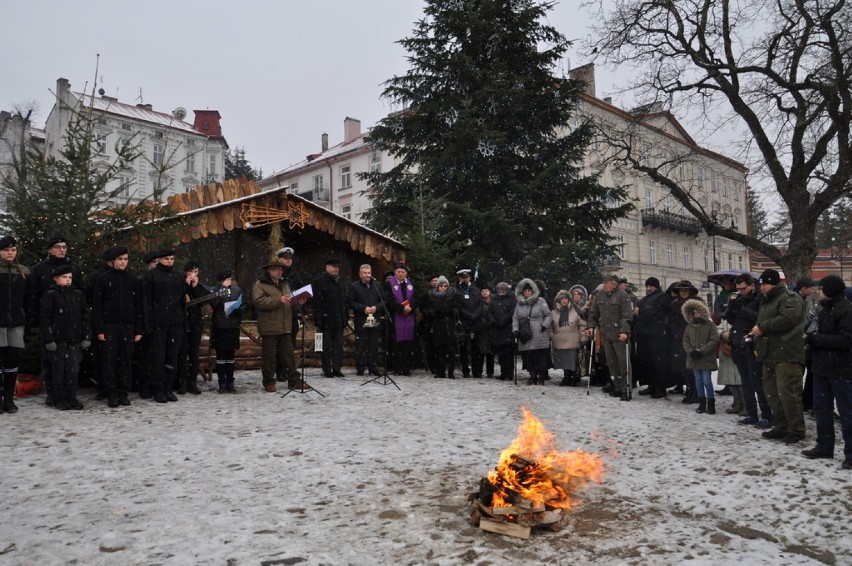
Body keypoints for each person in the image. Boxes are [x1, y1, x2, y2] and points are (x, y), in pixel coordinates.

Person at [801, 275, 852, 470]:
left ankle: (850, 454)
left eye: (821, 288)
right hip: (821, 368)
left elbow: (846, 340)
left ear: (830, 290)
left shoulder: (846, 310)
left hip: (842, 370)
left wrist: (816, 339)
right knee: (822, 410)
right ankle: (824, 446)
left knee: (847, 414)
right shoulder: (823, 310)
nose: (818, 291)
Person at [751, 269, 807, 445]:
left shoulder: (789, 298)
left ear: (775, 283)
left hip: (787, 353)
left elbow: (789, 319)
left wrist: (762, 327)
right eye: (761, 284)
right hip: (770, 353)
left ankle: (796, 429)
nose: (762, 287)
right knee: (772, 393)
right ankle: (781, 425)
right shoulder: (766, 301)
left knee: (788, 393)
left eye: (765, 284)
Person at [27, 235, 83, 406]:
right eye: (58, 247)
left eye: (64, 247)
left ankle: (69, 394)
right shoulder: (40, 269)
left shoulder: (74, 267)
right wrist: (36, 321)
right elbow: (33, 295)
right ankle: (53, 394)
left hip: (70, 324)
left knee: (71, 364)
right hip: (50, 323)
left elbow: (79, 292)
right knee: (50, 360)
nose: (61, 250)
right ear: (49, 249)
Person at [91, 246, 143, 408]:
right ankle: (111, 392)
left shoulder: (132, 280)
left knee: (125, 360)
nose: (123, 262)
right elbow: (97, 306)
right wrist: (99, 329)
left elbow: (139, 306)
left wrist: (139, 329)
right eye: (120, 259)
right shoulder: (103, 279)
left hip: (128, 325)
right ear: (113, 261)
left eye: (125, 259)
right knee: (110, 360)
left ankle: (123, 392)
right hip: (109, 326)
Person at [724, 273, 774, 427]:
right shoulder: (739, 298)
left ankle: (766, 415)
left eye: (743, 288)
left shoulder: (761, 298)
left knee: (757, 381)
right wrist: (732, 309)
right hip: (738, 343)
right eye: (738, 289)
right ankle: (751, 414)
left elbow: (759, 319)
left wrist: (741, 308)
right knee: (745, 381)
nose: (741, 291)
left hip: (753, 344)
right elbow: (732, 320)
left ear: (752, 285)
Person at [40, 265, 90, 410]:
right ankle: (60, 398)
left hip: (75, 339)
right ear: (56, 278)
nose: (68, 280)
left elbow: (85, 317)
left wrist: (86, 336)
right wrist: (49, 339)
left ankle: (72, 397)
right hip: (58, 340)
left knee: (73, 369)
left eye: (69, 277)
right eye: (64, 277)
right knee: (58, 369)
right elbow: (45, 319)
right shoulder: (50, 295)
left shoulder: (78, 295)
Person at [140, 249, 186, 404]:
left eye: (172, 259)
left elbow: (181, 301)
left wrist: (182, 321)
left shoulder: (178, 276)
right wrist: (148, 323)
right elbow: (146, 302)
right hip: (158, 323)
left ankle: (168, 388)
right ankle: (158, 389)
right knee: (158, 358)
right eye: (167, 259)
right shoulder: (151, 275)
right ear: (159, 259)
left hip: (175, 322)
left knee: (172, 356)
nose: (170, 262)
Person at [252, 261, 301, 392]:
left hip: (286, 325)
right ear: (268, 271)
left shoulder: (285, 283)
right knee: (269, 357)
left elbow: (290, 301)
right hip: (269, 326)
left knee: (289, 355)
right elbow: (258, 302)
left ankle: (294, 380)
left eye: (280, 270)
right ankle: (269, 382)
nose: (278, 272)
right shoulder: (260, 284)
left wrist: (299, 302)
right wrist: (278, 300)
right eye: (275, 269)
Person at [587, 275, 633, 400]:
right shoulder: (600, 295)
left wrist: (624, 331)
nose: (604, 285)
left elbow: (627, 315)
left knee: (623, 363)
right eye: (604, 282)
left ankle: (626, 389)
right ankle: (617, 387)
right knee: (612, 363)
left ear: (614, 284)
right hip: (606, 334)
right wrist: (591, 326)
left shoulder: (622, 295)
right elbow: (593, 313)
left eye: (607, 283)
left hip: (619, 334)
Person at [0, 236, 28, 414]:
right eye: (6, 250)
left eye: (13, 250)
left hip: (16, 322)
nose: (10, 253)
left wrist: (26, 315)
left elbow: (28, 297)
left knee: (11, 361)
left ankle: (9, 399)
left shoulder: (23, 271)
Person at [208, 270, 246, 393]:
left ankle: (230, 383)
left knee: (231, 356)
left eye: (230, 279)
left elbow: (245, 304)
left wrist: (238, 310)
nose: (229, 281)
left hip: (233, 326)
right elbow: (214, 304)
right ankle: (222, 384)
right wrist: (221, 292)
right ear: (220, 281)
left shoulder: (237, 290)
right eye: (226, 279)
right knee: (221, 356)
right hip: (220, 327)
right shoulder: (214, 290)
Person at [634, 277, 672, 398]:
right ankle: (651, 385)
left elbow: (657, 313)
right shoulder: (645, 299)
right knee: (647, 362)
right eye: (647, 286)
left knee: (658, 363)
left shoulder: (662, 297)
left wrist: (640, 312)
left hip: (657, 335)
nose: (648, 288)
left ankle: (660, 388)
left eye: (651, 286)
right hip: (644, 335)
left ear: (656, 286)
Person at [682, 298, 720, 414]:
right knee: (698, 381)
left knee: (707, 381)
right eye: (694, 312)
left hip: (706, 358)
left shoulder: (709, 325)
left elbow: (714, 339)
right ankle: (702, 403)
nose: (696, 314)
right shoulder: (690, 325)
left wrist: (702, 350)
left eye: (698, 312)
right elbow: (685, 340)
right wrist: (691, 351)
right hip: (694, 358)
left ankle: (711, 403)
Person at [312, 258, 348, 378]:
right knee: (325, 346)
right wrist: (318, 318)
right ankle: (327, 369)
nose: (336, 269)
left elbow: (344, 301)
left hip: (339, 319)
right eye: (333, 266)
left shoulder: (341, 281)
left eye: (337, 267)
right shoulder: (319, 281)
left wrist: (345, 317)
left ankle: (337, 368)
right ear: (327, 268)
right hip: (326, 320)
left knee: (338, 346)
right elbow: (316, 302)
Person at [513, 278, 552, 385]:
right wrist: (515, 329)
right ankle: (532, 375)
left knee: (539, 356)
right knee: (528, 356)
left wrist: (544, 325)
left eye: (529, 291)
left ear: (533, 291)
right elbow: (515, 318)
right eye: (525, 291)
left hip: (539, 331)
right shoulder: (519, 303)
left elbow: (548, 315)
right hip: (525, 332)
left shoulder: (541, 301)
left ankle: (541, 376)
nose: (527, 293)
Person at [348, 264, 384, 376]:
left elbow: (384, 301)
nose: (368, 275)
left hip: (375, 318)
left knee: (373, 344)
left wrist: (376, 307)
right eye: (365, 273)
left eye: (369, 273)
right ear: (360, 274)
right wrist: (363, 308)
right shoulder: (354, 286)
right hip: (361, 319)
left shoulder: (377, 285)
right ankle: (360, 368)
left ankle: (373, 367)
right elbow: (350, 302)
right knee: (361, 344)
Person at [177, 260, 206, 395]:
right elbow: (178, 300)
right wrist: (186, 286)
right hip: (182, 322)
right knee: (182, 353)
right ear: (186, 272)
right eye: (191, 272)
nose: (194, 274)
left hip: (195, 323)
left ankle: (192, 382)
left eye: (196, 272)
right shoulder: (180, 283)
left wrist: (195, 287)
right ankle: (182, 382)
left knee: (194, 354)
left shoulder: (198, 285)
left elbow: (202, 303)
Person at [670, 280, 699, 403]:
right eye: (681, 290)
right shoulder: (674, 304)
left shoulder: (696, 303)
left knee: (693, 367)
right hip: (679, 338)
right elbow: (671, 321)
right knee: (684, 367)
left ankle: (696, 392)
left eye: (686, 290)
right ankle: (689, 389)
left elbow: (702, 320)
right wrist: (676, 333)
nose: (683, 293)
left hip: (694, 338)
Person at [550, 289, 587, 386]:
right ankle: (566, 377)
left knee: (573, 360)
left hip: (573, 340)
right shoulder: (554, 312)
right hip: (559, 340)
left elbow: (583, 325)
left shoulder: (576, 310)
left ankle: (574, 377)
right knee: (563, 360)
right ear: (558, 300)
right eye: (562, 299)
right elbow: (550, 326)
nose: (564, 300)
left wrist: (583, 337)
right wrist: (552, 336)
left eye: (566, 298)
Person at [426, 276, 459, 378]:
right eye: (441, 286)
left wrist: (451, 311)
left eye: (445, 286)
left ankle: (450, 372)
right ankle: (441, 372)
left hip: (450, 325)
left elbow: (457, 308)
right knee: (440, 350)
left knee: (451, 351)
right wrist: (435, 312)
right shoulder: (432, 296)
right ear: (438, 287)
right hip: (439, 325)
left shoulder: (453, 295)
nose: (443, 288)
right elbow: (429, 310)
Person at [387, 262, 416, 376]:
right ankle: (397, 368)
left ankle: (406, 367)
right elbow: (389, 300)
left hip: (409, 316)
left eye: (403, 272)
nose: (400, 274)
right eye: (398, 272)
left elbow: (416, 297)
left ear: (406, 273)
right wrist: (401, 308)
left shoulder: (411, 284)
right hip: (396, 316)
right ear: (395, 272)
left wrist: (411, 307)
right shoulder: (390, 284)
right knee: (397, 344)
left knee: (407, 343)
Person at [796, 276, 818, 412]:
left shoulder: (803, 300)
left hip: (802, 343)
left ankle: (804, 402)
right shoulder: (798, 301)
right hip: (800, 343)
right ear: (803, 288)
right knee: (799, 375)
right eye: (810, 288)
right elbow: (802, 323)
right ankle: (802, 403)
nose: (812, 291)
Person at [455, 269, 482, 378]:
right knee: (463, 348)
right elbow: (458, 307)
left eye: (466, 277)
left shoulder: (476, 289)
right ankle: (465, 370)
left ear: (469, 277)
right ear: (459, 278)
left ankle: (477, 371)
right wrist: (469, 315)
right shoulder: (457, 290)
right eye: (462, 277)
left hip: (476, 322)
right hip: (464, 322)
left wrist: (475, 315)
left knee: (476, 349)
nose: (464, 279)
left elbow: (480, 304)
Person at [489, 282, 517, 381]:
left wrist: (503, 320)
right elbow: (490, 311)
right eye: (499, 290)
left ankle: (509, 373)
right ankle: (503, 372)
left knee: (508, 354)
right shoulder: (494, 299)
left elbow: (512, 312)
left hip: (507, 328)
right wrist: (494, 321)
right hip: (497, 329)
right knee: (500, 354)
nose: (501, 292)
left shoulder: (512, 299)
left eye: (503, 290)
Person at [473, 285, 495, 378]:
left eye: (486, 290)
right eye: (482, 291)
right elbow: (475, 315)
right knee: (480, 352)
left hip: (491, 329)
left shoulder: (493, 303)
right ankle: (479, 371)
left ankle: (490, 372)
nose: (484, 292)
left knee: (490, 352)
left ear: (489, 292)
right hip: (481, 330)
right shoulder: (479, 303)